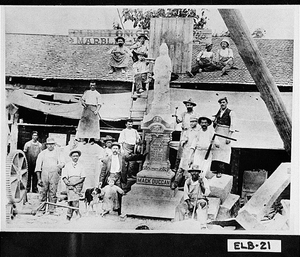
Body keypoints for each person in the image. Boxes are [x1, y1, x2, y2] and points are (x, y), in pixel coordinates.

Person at [35, 137, 65, 215]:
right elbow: (38, 167)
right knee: (43, 192)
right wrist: (39, 179)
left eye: (52, 144)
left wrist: (59, 166)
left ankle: (52, 210)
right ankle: (42, 210)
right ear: (46, 145)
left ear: (54, 144)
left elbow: (62, 163)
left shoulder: (58, 153)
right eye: (49, 144)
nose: (50, 146)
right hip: (44, 174)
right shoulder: (42, 153)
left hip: (54, 174)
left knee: (53, 192)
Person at [171, 115, 201, 190]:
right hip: (186, 151)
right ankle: (176, 182)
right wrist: (183, 141)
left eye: (194, 121)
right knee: (181, 168)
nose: (192, 123)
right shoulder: (188, 130)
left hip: (195, 152)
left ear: (197, 122)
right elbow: (183, 139)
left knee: (191, 169)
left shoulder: (199, 130)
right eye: (191, 121)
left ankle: (188, 185)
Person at [212, 97, 236, 178]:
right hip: (218, 131)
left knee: (223, 153)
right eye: (221, 103)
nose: (222, 104)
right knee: (216, 151)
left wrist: (229, 137)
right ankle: (215, 169)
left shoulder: (231, 112)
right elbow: (215, 122)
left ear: (226, 103)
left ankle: (221, 171)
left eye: (223, 102)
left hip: (225, 133)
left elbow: (232, 125)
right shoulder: (219, 112)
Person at [174, 98, 199, 172]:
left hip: (192, 133)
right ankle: (178, 167)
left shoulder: (196, 114)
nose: (188, 106)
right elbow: (178, 121)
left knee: (190, 149)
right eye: (187, 105)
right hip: (184, 132)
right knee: (181, 150)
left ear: (193, 106)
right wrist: (176, 114)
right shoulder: (183, 114)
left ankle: (190, 166)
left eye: (190, 105)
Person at [62, 149, 86, 221]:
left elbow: (83, 178)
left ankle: (69, 216)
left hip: (78, 184)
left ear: (79, 157)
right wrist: (68, 183)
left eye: (77, 156)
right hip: (69, 184)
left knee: (73, 199)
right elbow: (64, 177)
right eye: (74, 156)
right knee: (72, 199)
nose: (75, 157)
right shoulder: (67, 165)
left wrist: (75, 183)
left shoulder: (81, 166)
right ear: (71, 157)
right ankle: (77, 214)